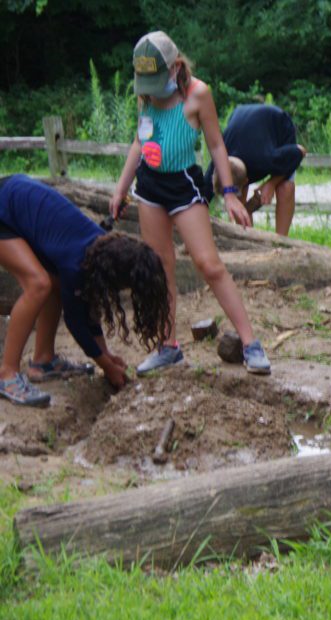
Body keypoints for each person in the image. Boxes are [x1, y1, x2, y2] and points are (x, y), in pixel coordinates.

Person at [110, 31, 271, 376]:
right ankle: (168, 346)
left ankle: (250, 343)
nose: (150, 87)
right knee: (159, 266)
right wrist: (121, 189)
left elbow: (216, 145)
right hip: (150, 187)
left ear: (175, 67)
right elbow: (140, 143)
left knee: (208, 263)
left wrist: (229, 193)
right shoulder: (146, 95)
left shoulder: (198, 95)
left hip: (184, 185)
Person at [0, 174, 171, 407]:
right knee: (38, 284)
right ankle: (7, 374)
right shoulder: (77, 263)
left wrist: (106, 355)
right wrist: (106, 365)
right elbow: (75, 322)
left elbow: (87, 310)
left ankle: (43, 361)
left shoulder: (100, 250)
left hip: (17, 204)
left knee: (54, 285)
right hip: (5, 209)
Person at [203, 104, 307, 235]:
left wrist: (271, 183)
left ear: (247, 180)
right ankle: (249, 237)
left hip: (278, 124)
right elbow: (201, 198)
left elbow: (301, 151)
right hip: (241, 118)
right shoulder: (218, 162)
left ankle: (281, 242)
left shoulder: (267, 159)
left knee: (285, 188)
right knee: (237, 198)